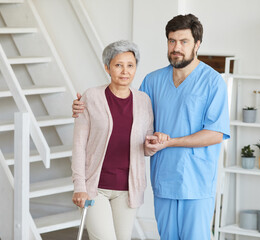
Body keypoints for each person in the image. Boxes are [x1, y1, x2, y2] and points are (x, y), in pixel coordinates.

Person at [72, 14, 230, 240]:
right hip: (164, 179)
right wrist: (81, 107)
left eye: (184, 41)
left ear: (197, 44)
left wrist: (172, 142)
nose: (177, 47)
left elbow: (216, 133)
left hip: (196, 182)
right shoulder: (152, 81)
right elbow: (130, 117)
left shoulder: (213, 82)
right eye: (172, 41)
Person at [71, 40, 169, 240]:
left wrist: (154, 144)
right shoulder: (91, 97)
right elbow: (79, 146)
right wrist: (79, 187)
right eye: (118, 65)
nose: (125, 71)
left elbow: (145, 147)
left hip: (128, 189)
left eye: (130, 65)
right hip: (95, 188)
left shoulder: (143, 101)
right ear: (107, 67)